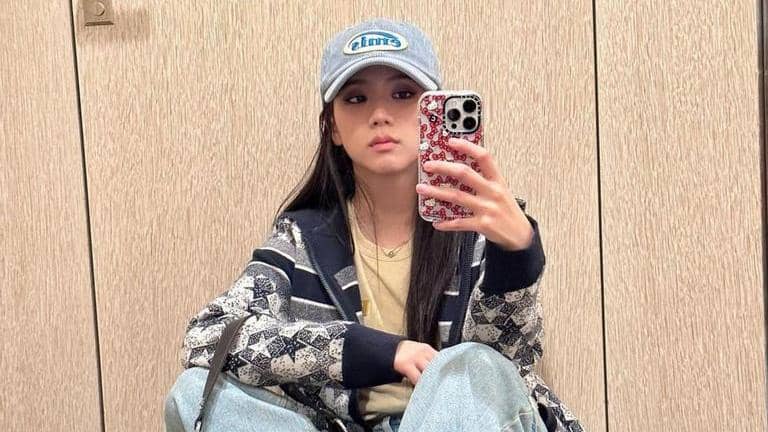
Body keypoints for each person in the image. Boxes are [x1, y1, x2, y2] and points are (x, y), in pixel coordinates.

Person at [164, 17, 583, 432]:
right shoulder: (302, 239)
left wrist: (515, 259)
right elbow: (208, 338)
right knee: (195, 391)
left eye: (403, 94)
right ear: (333, 127)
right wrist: (368, 351)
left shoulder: (481, 223)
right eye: (356, 98)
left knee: (471, 366)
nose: (380, 114)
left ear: (432, 114)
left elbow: (501, 371)